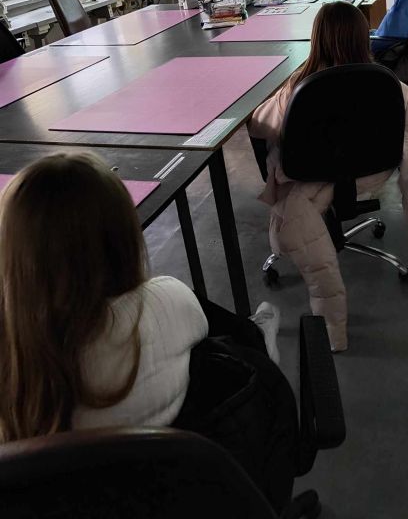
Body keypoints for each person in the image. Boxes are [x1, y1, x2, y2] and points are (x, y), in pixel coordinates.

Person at [0, 152, 280, 443]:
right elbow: (196, 320)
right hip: (196, 460)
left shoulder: (16, 366)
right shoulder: (163, 302)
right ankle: (260, 334)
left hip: (95, 473)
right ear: (123, 239)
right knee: (229, 333)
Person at [249, 1, 408, 353]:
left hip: (310, 178)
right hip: (370, 174)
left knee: (291, 185)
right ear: (365, 38)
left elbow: (259, 125)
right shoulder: (391, 85)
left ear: (317, 39)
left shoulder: (297, 89)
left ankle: (333, 328)